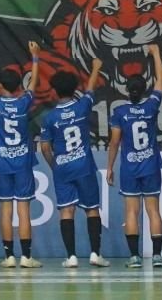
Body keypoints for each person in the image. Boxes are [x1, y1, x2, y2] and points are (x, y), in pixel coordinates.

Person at [39, 63, 109, 268]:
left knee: (66, 211)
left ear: (54, 91)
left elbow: (45, 148)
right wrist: (95, 67)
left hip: (63, 168)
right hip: (84, 166)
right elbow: (90, 88)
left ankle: (71, 257)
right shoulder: (82, 106)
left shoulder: (49, 117)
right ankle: (96, 254)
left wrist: (55, 166)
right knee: (92, 209)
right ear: (73, 89)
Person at [106, 43, 162, 269]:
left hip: (130, 168)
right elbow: (161, 80)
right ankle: (158, 257)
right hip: (150, 165)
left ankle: (134, 257)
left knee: (131, 211)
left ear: (126, 90)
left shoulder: (119, 112)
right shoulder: (151, 106)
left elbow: (114, 142)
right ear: (143, 90)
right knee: (153, 210)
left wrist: (110, 167)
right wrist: (156, 53)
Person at [0, 41, 45, 268]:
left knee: (6, 210)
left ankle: (8, 256)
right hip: (23, 163)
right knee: (23, 210)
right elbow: (33, 84)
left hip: (3, 164)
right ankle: (27, 257)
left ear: (1, 86)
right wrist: (35, 57)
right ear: (18, 87)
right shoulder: (24, 102)